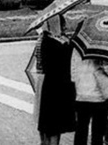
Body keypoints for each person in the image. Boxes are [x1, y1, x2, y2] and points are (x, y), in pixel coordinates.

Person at [36, 16, 76, 145]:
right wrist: (67, 44)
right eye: (62, 25)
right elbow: (63, 60)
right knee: (54, 126)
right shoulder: (53, 43)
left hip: (51, 86)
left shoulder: (46, 40)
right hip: (58, 87)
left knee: (51, 125)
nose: (64, 28)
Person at [71, 48, 108, 145]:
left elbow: (73, 73)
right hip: (98, 96)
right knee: (98, 134)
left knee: (81, 129)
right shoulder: (101, 48)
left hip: (81, 95)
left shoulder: (76, 49)